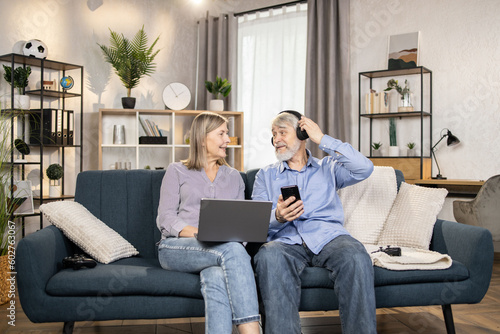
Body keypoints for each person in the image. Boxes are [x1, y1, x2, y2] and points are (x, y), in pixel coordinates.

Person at [252, 110, 376, 334]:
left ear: (302, 133)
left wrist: (322, 139)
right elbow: (255, 222)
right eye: (273, 134)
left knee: (356, 255)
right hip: (285, 242)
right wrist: (278, 216)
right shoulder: (265, 175)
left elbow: (364, 168)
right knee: (268, 255)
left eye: (282, 132)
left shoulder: (329, 168)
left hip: (329, 237)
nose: (276, 140)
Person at [156, 112, 260, 334]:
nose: (228, 140)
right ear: (202, 138)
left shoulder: (234, 177)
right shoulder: (177, 170)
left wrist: (231, 237)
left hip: (221, 250)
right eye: (222, 133)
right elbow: (165, 217)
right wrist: (200, 232)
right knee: (230, 251)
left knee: (216, 276)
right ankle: (251, 330)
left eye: (228, 133)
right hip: (176, 247)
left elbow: (239, 224)